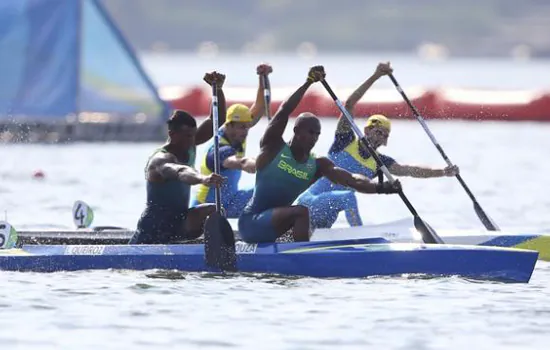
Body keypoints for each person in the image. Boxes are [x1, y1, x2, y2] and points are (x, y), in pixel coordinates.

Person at [237, 66, 402, 243]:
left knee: (308, 222)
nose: (314, 138)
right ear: (296, 131)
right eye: (310, 132)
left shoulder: (317, 165)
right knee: (301, 212)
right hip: (251, 223)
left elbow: (352, 180)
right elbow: (284, 110)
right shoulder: (273, 147)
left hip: (276, 226)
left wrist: (382, 188)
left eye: (317, 134)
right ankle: (303, 259)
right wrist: (308, 82)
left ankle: (295, 252)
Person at [296, 62, 459, 229]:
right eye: (377, 131)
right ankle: (360, 236)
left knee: (343, 200)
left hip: (327, 215)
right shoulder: (344, 141)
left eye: (384, 135)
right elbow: (350, 104)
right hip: (308, 204)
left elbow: (410, 170)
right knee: (348, 197)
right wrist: (376, 76)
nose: (379, 137)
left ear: (386, 142)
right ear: (366, 130)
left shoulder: (380, 163)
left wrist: (443, 172)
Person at [129, 72, 227, 244]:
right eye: (186, 136)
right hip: (153, 228)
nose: (191, 141)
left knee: (216, 210)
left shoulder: (190, 143)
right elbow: (181, 171)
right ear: (172, 134)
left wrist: (217, 89)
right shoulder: (160, 160)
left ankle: (212, 249)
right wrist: (203, 178)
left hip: (180, 222)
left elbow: (216, 121)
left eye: (192, 135)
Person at [192, 64, 273, 217]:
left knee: (271, 189)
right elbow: (241, 163)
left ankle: (274, 225)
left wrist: (263, 78)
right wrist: (263, 164)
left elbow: (261, 107)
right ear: (228, 125)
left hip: (230, 201)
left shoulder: (237, 133)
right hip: (207, 207)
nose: (246, 131)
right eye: (241, 127)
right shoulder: (218, 148)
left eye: (248, 127)